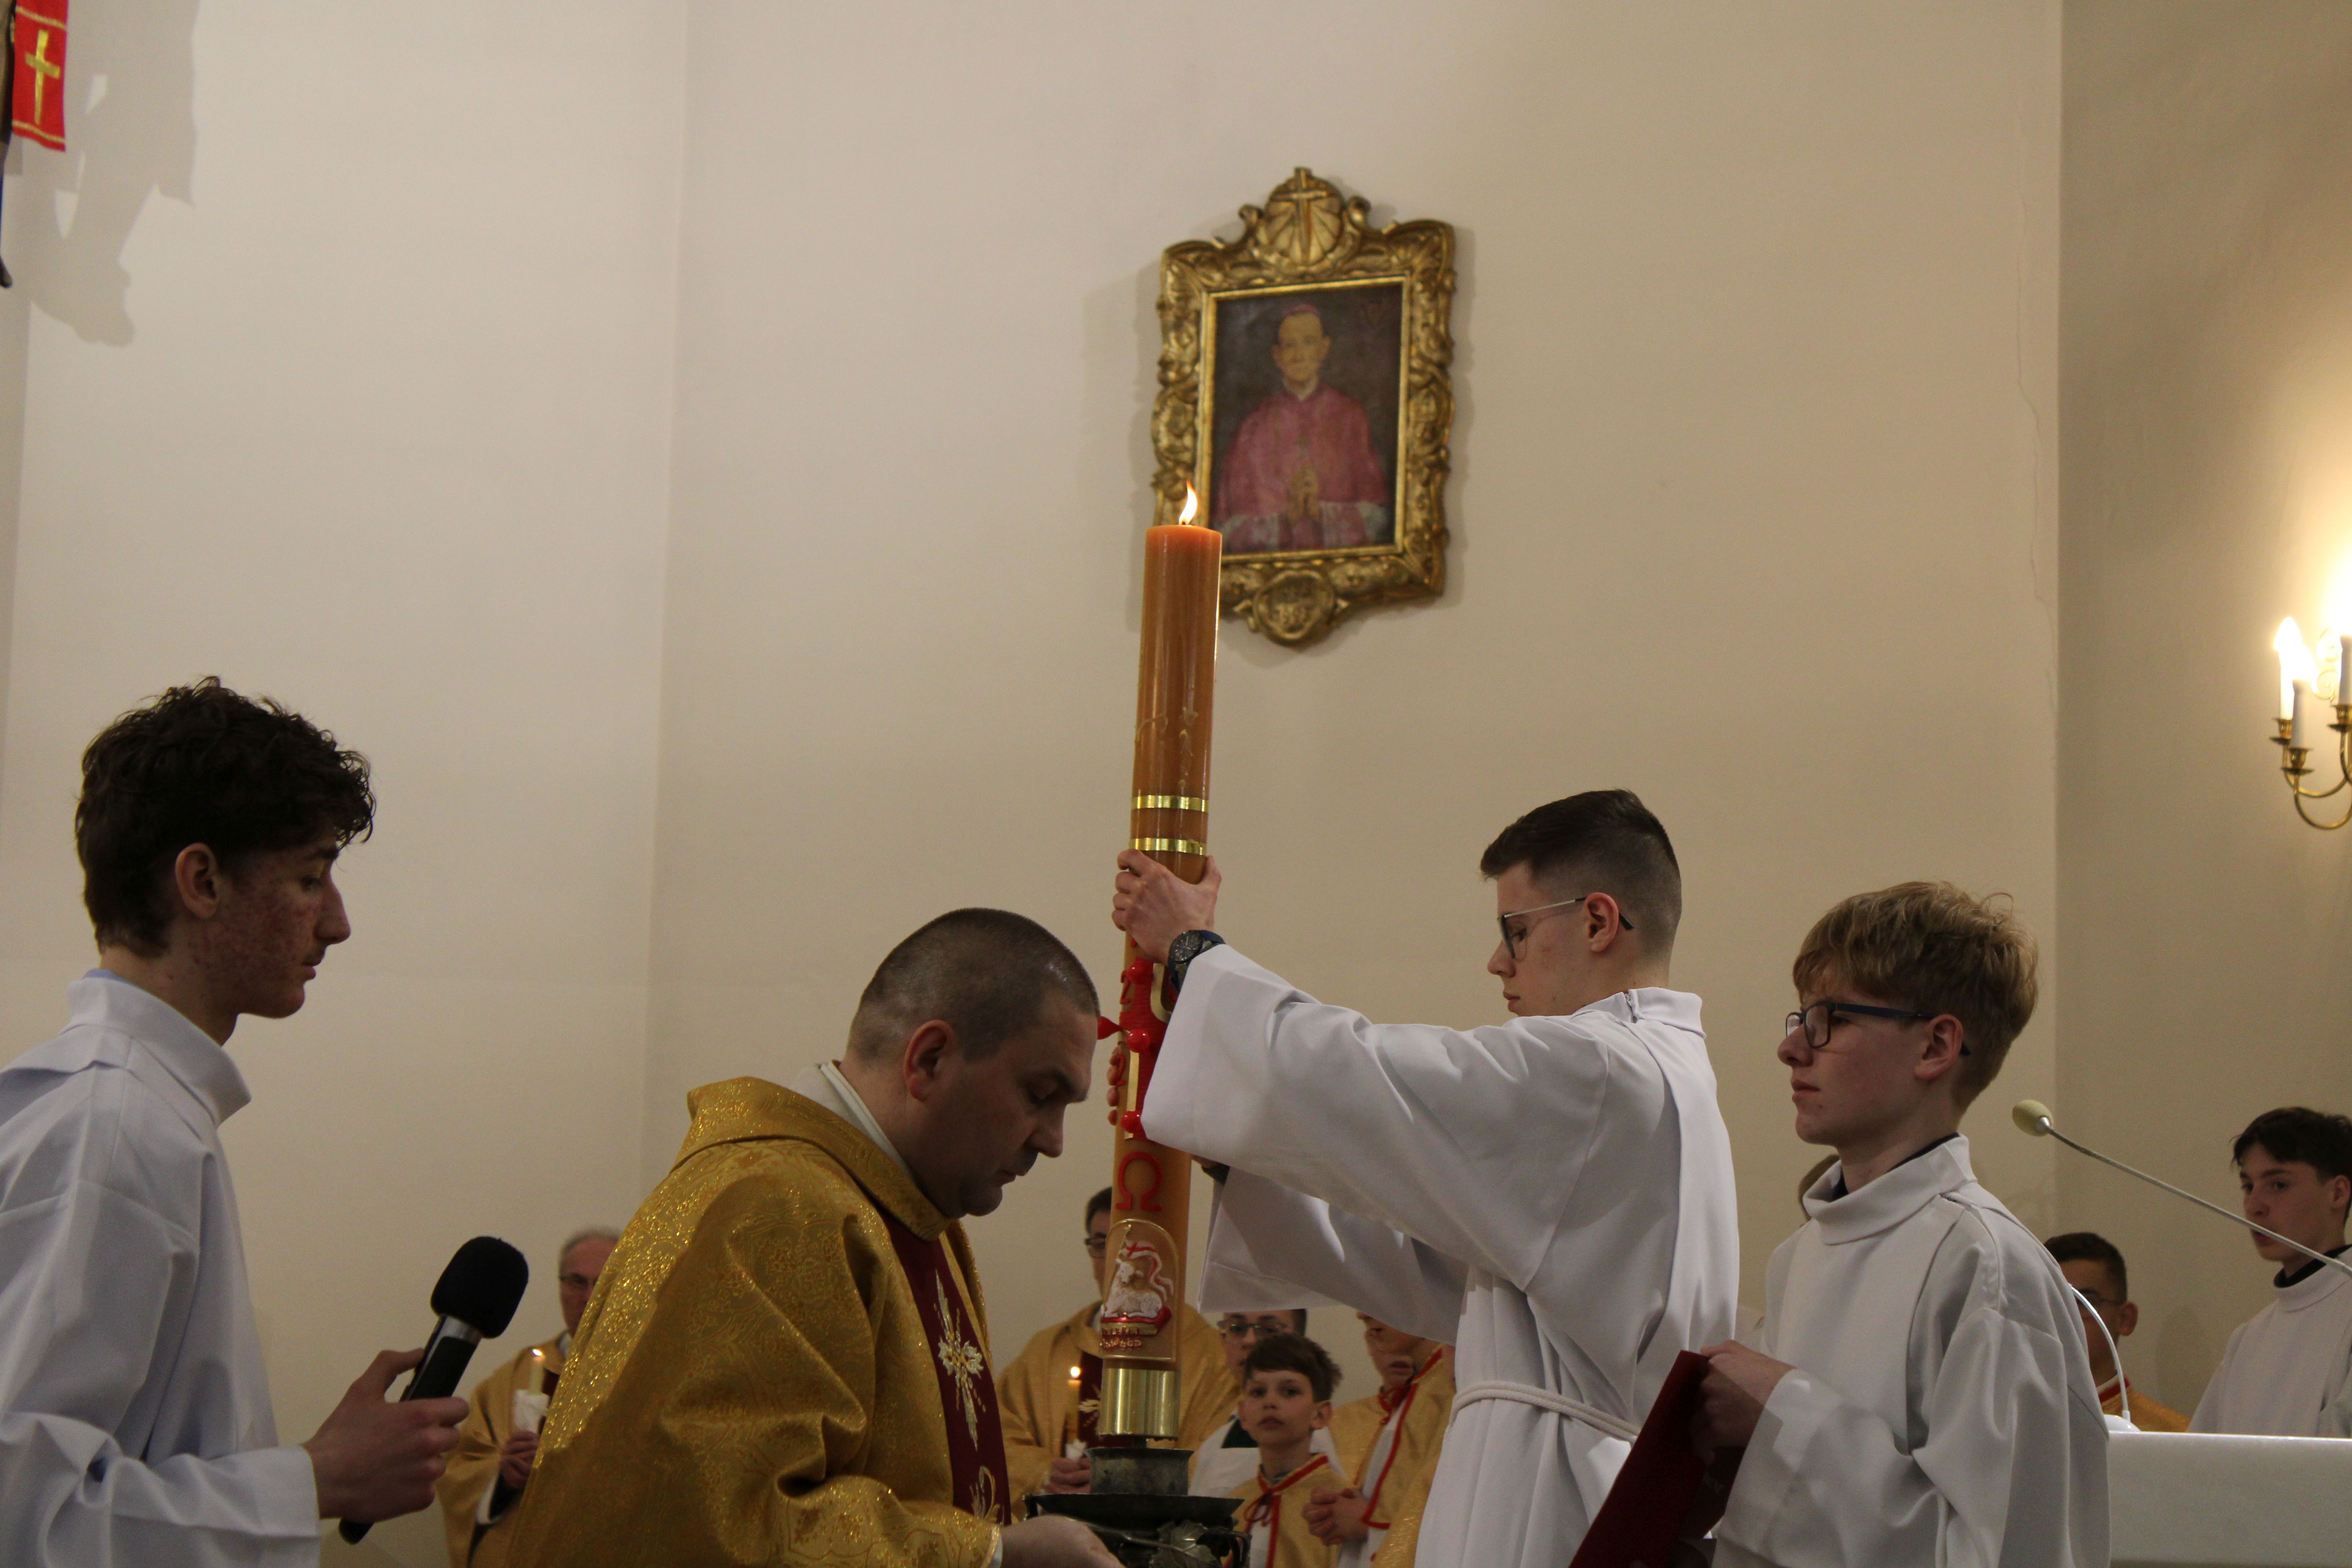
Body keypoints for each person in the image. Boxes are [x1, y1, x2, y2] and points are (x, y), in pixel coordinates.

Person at [1113, 789, 1739, 1568]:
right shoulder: (1661, 1076)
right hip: (1577, 1481)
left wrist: (1194, 952)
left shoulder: (1603, 1068)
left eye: (1515, 931)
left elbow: (1367, 1077)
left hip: (1552, 1500)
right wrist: (1230, 1155)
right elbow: (1431, 1272)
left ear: (1597, 921)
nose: (1498, 961)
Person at [0, 679, 471, 1567]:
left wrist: (296, 1466)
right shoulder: (114, 1127)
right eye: (309, 877)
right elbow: (25, 1522)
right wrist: (314, 1480)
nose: (338, 923)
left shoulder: (137, 1110)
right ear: (203, 880)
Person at [505, 908, 1116, 1568]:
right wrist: (993, 1557)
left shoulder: (906, 1214)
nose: (1053, 1142)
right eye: (1040, 1095)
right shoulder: (772, 1208)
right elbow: (715, 1520)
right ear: (930, 1060)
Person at [1693, 882, 2106, 1566]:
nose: (1791, 1048)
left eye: (1831, 1020)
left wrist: (1784, 1414)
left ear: (1936, 1046)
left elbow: (2004, 1552)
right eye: (1801, 1018)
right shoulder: (1800, 1256)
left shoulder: (1988, 1269)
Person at [996, 1187, 1236, 1497]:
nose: (1114, 1261)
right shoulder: (1048, 1353)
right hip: (1058, 1522)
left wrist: (1133, 1482)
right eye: (1101, 1245)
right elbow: (999, 1434)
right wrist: (1044, 1473)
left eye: (1127, 1247)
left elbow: (1220, 1456)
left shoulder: (1209, 1355)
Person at [437, 1227, 621, 1567]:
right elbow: (462, 1469)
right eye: (577, 1282)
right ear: (561, 1287)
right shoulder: (513, 1379)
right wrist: (503, 1477)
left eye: (605, 1281)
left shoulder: (649, 1373)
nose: (589, 1296)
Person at [2190, 1107, 2352, 1436]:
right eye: (2248, 1186)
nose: (2254, 1207)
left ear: (2337, 1193)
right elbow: (2201, 1456)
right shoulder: (2248, 1340)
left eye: (2278, 1185)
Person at [1213, 301, 1391, 553]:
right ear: (1277, 356)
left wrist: (1323, 514)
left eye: (1308, 342)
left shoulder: (1350, 416)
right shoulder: (1254, 427)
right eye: (1290, 346)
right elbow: (1227, 532)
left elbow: (1378, 520)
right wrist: (1285, 522)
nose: (1299, 355)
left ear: (1324, 348)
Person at [1310, 1316, 1452, 1568]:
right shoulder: (1422, 1390)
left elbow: (1445, 1507)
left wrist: (1369, 1522)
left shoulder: (1444, 1391)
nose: (1363, 1316)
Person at [2044, 1232, 2189, 1432]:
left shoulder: (2174, 1435)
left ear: (2125, 1319)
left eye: (2085, 1303)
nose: (2065, 1318)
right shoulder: (2009, 1423)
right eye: (2052, 1302)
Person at [1229, 1336, 1348, 1568]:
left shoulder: (1336, 1507)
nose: (1270, 1402)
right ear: (1243, 1415)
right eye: (1258, 1392)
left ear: (1320, 1415)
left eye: (1290, 1392)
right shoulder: (1236, 1503)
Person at [1191, 1309, 1338, 1496]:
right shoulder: (1213, 1445)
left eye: (1269, 1330)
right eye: (1237, 1328)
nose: (1249, 1341)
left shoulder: (1312, 1441)